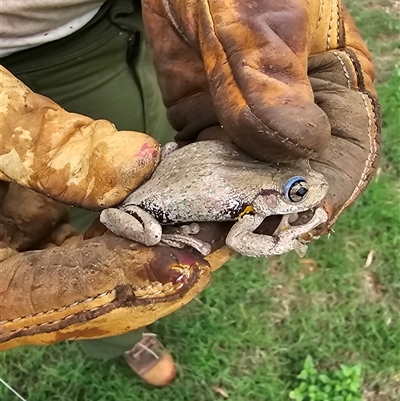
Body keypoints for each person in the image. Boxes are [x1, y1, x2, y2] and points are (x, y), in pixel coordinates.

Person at [0, 0, 380, 388]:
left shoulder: (259, 192)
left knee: (148, 136)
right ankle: (119, 341)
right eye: (297, 194)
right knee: (95, 226)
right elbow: (239, 237)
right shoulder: (253, 209)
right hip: (27, 61)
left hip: (129, 21)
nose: (311, 193)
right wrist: (284, 237)